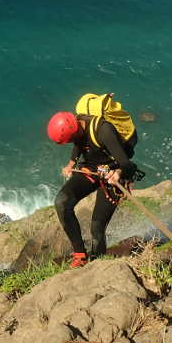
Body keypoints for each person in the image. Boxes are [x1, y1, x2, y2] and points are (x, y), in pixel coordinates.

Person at [47, 104, 138, 267]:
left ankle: (97, 263)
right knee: (61, 203)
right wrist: (71, 163)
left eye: (71, 139)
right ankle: (80, 255)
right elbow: (78, 143)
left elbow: (128, 164)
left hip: (113, 174)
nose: (72, 143)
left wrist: (117, 173)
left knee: (96, 227)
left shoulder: (104, 131)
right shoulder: (78, 125)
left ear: (76, 128)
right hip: (91, 169)